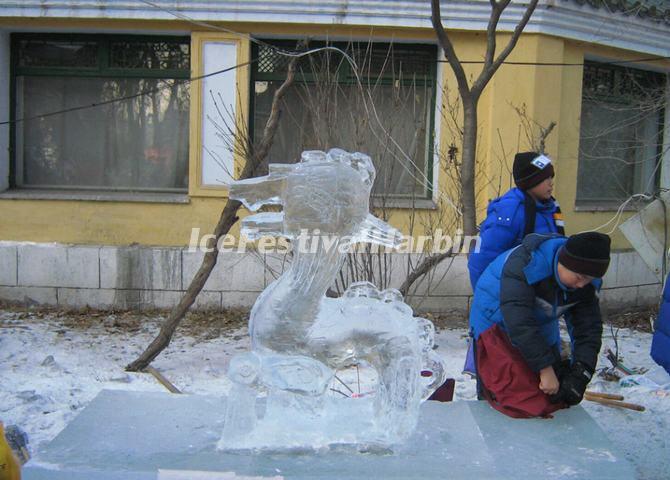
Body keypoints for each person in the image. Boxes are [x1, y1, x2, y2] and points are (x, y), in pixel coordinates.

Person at [469, 231, 611, 418]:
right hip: (493, 320)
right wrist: (545, 368)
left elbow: (588, 329)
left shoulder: (585, 282)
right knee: (501, 386)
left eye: (589, 280)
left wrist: (581, 373)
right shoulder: (525, 265)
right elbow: (519, 321)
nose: (581, 285)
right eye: (578, 277)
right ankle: (490, 426)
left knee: (547, 392)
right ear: (563, 262)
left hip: (539, 320)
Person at [468, 152, 565, 290]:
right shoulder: (511, 212)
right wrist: (486, 298)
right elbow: (482, 257)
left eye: (551, 177)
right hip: (511, 293)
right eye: (545, 178)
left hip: (541, 289)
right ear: (531, 181)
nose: (551, 182)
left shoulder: (550, 208)